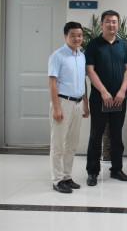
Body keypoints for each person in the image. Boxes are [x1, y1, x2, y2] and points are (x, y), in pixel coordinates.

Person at [84, 10, 127, 186]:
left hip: (119, 98)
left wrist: (122, 91)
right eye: (108, 21)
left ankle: (117, 169)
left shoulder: (123, 45)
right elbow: (90, 70)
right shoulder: (93, 45)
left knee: (116, 135)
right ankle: (92, 171)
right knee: (96, 135)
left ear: (118, 24)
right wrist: (104, 92)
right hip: (99, 98)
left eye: (114, 22)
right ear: (101, 24)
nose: (111, 25)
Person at [48, 22, 89, 193]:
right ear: (65, 36)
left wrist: (86, 104)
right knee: (58, 144)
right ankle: (57, 180)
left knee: (72, 144)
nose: (77, 38)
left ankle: (67, 176)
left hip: (78, 104)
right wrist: (56, 108)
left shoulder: (82, 56)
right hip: (63, 103)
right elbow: (52, 83)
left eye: (79, 35)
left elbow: (83, 82)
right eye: (73, 35)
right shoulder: (57, 56)